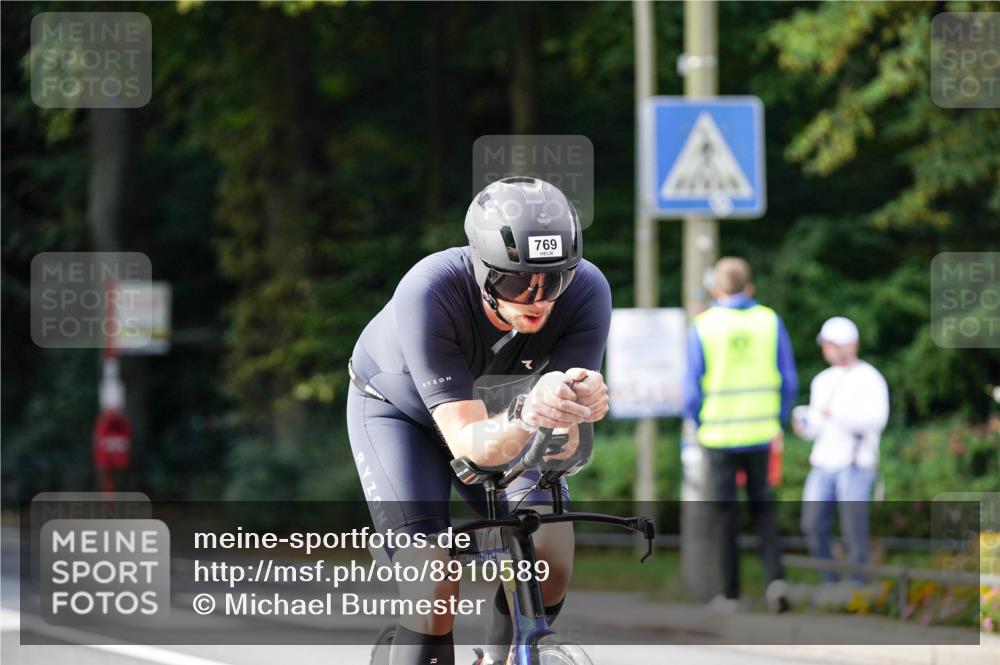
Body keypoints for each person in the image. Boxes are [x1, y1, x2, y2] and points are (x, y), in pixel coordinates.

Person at [347, 177, 612, 665]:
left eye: (555, 279)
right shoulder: (430, 290)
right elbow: (468, 443)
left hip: (505, 414)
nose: (537, 298)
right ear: (480, 267)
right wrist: (529, 411)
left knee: (551, 554)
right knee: (433, 581)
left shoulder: (589, 291)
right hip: (399, 414)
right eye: (515, 281)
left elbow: (563, 446)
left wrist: (581, 408)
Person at [684, 257, 797, 613]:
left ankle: (731, 595)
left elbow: (691, 390)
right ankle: (775, 581)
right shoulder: (769, 320)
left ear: (717, 288)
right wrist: (778, 420)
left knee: (726, 516)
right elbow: (789, 379)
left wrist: (699, 424)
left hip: (718, 435)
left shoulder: (703, 326)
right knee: (764, 510)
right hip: (762, 432)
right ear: (750, 286)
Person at [793, 316, 889, 584]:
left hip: (856, 463)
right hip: (824, 462)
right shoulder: (822, 380)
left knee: (853, 530)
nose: (829, 350)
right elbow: (817, 425)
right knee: (811, 525)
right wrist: (805, 424)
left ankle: (858, 587)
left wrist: (836, 413)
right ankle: (830, 580)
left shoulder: (870, 378)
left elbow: (876, 420)